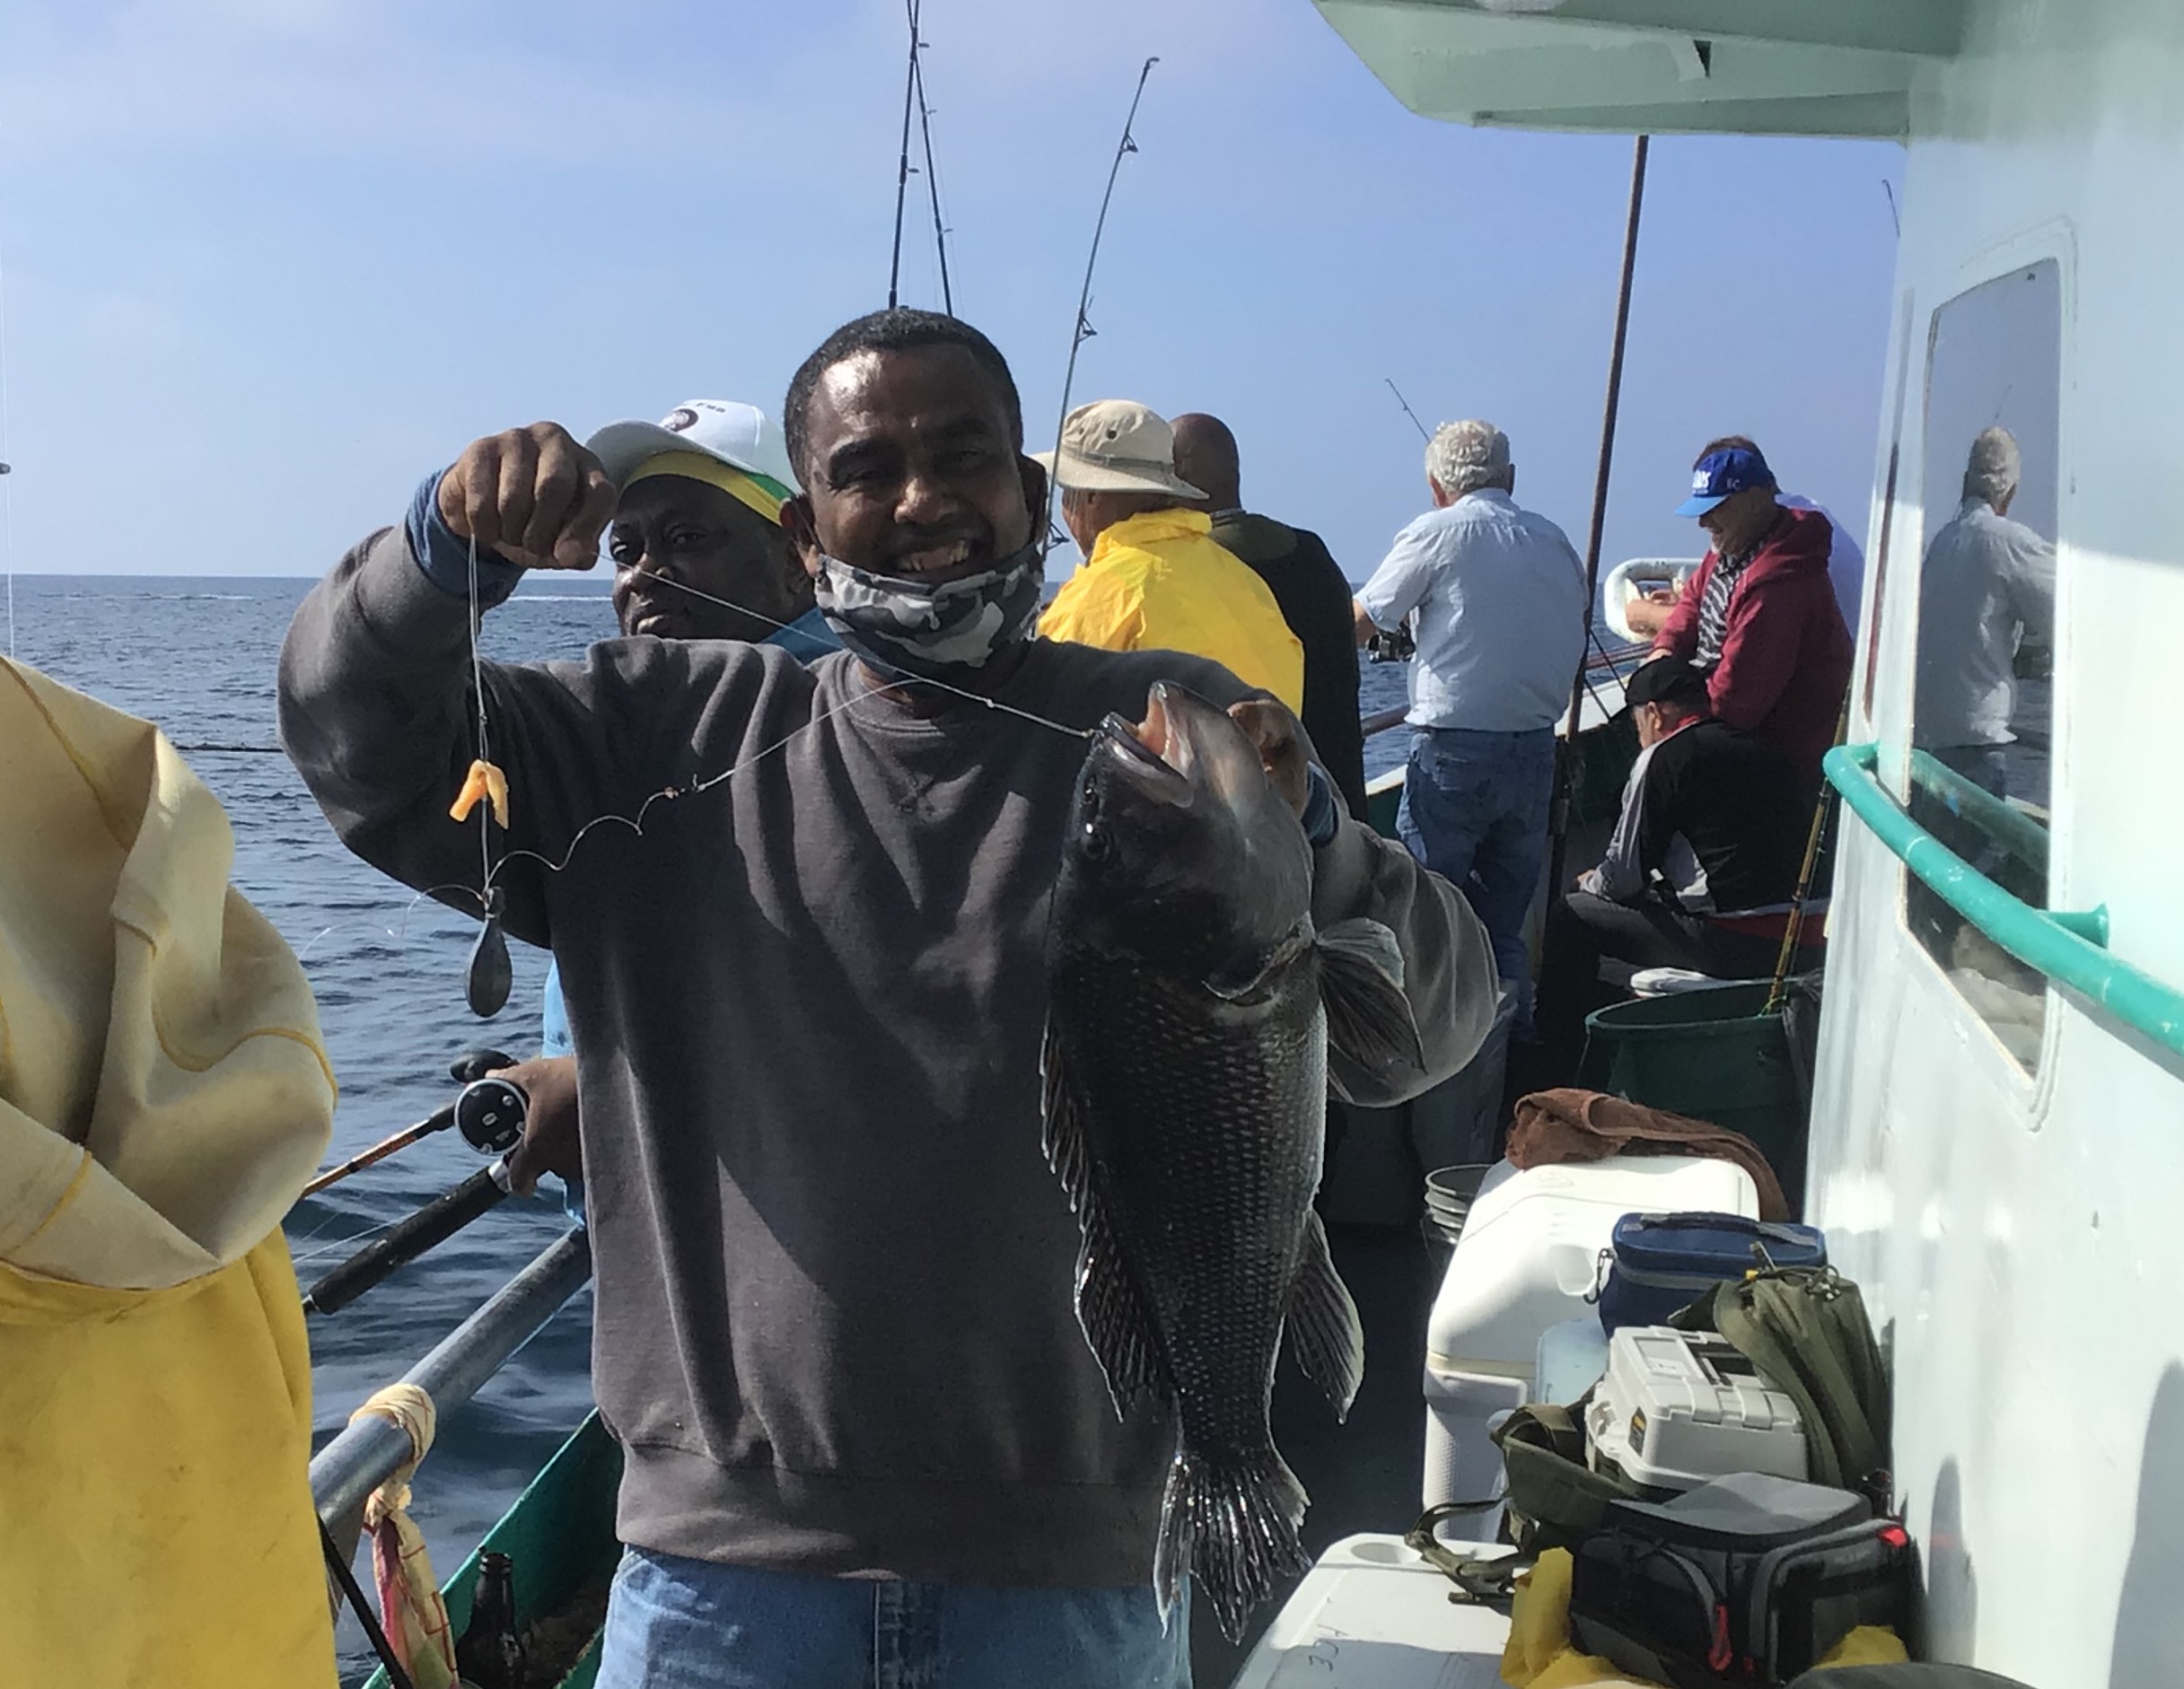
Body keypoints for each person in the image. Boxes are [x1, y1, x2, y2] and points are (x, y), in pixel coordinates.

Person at [277, 308, 1498, 1689]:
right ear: (808, 530)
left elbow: (1441, 1016)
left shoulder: (1174, 730)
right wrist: (440, 554)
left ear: (1035, 500)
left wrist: (1319, 822)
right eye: (866, 470)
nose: (921, 499)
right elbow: (361, 746)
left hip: (1072, 1587)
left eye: (962, 455)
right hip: (719, 1589)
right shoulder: (650, 738)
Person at [495, 399, 842, 1201]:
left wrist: (608, 1089)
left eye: (688, 540)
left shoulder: (841, 722)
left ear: (799, 553)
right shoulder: (647, 724)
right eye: (626, 548)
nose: (645, 573)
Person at [1352, 418, 1586, 1039]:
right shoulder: (1553, 539)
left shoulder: (1435, 531)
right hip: (1536, 749)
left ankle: (1428, 1055)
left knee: (1425, 917)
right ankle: (1514, 1059)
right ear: (1509, 479)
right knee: (1501, 926)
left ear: (1435, 486)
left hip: (1453, 755)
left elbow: (1363, 619)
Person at [1533, 659, 1820, 1072]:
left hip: (1737, 944)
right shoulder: (1763, 747)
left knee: (1572, 916)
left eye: (1637, 727)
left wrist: (1588, 881)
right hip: (1806, 941)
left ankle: (1554, 1063)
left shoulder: (1663, 757)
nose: (1639, 738)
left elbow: (1622, 879)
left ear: (1653, 713)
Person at [1037, 399, 1306, 712]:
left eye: (1067, 495)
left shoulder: (1099, 595)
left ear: (1091, 496)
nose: (1065, 512)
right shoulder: (1244, 580)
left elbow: (1041, 716)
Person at [1171, 412, 1369, 819]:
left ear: (1178, 477)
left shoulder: (1193, 569)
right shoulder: (1313, 552)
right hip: (1344, 805)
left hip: (1280, 823)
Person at [1645, 439, 1853, 779]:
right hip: (1733, 729)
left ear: (1756, 501)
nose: (1703, 522)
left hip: (1779, 759)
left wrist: (1673, 728)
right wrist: (1664, 651)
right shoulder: (1731, 548)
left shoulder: (1780, 584)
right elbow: (1692, 603)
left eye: (1715, 507)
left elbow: (1735, 705)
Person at [1912, 426, 2056, 796]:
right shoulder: (2007, 542)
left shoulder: (1941, 543)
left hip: (1927, 746)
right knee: (1978, 853)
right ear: (2011, 492)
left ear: (1964, 483)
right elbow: (2072, 618)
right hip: (1973, 750)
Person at [1623, 435, 1867, 639]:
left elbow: (1736, 627)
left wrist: (1645, 614)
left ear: (1751, 500)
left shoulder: (1778, 540)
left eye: (1717, 506)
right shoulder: (1809, 515)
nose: (1703, 522)